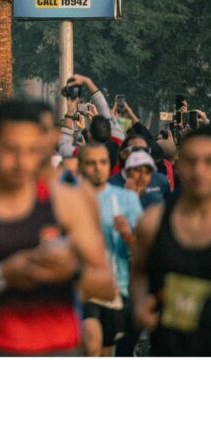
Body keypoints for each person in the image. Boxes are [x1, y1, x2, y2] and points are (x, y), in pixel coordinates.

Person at [0, 99, 115, 356]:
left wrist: (71, 272)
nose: (21, 162)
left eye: (32, 150)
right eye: (11, 150)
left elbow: (106, 286)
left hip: (58, 352)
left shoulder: (66, 202)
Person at [132, 125, 211, 356]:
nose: (199, 171)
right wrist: (140, 302)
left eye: (210, 161)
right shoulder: (153, 222)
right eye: (191, 161)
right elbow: (139, 271)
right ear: (179, 165)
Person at [76, 143, 142, 357]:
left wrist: (127, 234)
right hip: (80, 284)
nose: (97, 168)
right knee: (90, 340)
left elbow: (141, 250)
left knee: (104, 351)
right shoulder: (69, 198)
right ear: (80, 166)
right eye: (91, 163)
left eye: (103, 162)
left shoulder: (126, 199)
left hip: (114, 285)